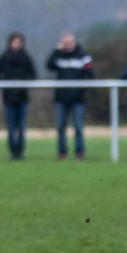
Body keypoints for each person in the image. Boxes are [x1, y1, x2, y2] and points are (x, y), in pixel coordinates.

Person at [47, 31, 94, 160]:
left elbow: (90, 74)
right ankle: (62, 152)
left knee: (78, 126)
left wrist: (81, 91)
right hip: (61, 98)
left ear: (74, 42)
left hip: (77, 99)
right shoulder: (58, 56)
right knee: (60, 127)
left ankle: (80, 152)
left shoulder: (83, 56)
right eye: (65, 43)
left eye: (69, 43)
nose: (67, 46)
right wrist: (57, 50)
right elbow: (49, 65)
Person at [0, 32, 37, 160]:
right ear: (10, 43)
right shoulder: (4, 57)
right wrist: (6, 82)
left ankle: (21, 151)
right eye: (14, 42)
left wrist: (24, 83)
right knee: (11, 126)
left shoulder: (26, 57)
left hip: (22, 97)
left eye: (19, 42)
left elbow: (33, 75)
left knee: (21, 126)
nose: (16, 44)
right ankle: (12, 151)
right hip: (8, 97)